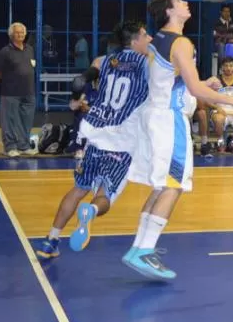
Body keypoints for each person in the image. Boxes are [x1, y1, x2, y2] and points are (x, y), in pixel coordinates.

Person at [124, 0, 233, 281]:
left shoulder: (157, 43)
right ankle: (143, 250)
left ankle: (139, 248)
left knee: (161, 185)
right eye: (180, 2)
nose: (186, 4)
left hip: (154, 116)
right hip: (169, 121)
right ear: (169, 10)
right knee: (174, 185)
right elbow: (194, 91)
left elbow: (171, 80)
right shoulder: (180, 42)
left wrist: (205, 82)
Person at [34, 21, 152, 260]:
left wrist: (75, 100)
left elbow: (78, 82)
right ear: (135, 39)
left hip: (96, 136)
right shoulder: (148, 63)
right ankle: (92, 210)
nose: (149, 39)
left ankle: (51, 240)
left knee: (78, 189)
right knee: (104, 194)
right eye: (145, 35)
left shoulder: (103, 61)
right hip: (122, 142)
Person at [0, 22, 36, 157]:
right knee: (9, 122)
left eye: (22, 32)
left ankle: (24, 146)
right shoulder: (5, 52)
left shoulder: (30, 49)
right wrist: (11, 80)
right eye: (17, 32)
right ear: (11, 35)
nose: (20, 35)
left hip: (28, 92)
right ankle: (9, 147)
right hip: (10, 93)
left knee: (26, 121)